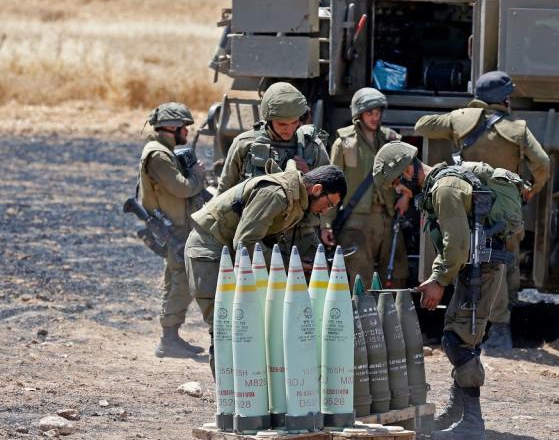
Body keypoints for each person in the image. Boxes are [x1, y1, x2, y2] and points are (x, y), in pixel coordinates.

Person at [372, 141, 524, 440]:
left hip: (484, 267)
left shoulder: (445, 189)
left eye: (395, 185)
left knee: (459, 340)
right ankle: (458, 412)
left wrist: (438, 280)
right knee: (463, 335)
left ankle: (472, 422)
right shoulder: (437, 190)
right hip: (476, 267)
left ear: (406, 172)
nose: (397, 192)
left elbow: (456, 244)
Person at [414, 71, 550, 349]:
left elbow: (421, 126)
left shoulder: (459, 120)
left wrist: (460, 118)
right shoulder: (517, 129)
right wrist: (530, 190)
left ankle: (474, 326)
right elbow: (542, 164)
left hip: (467, 204)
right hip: (505, 209)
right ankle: (501, 330)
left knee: (470, 260)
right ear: (503, 99)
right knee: (504, 264)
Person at [185, 165, 346, 368]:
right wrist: (288, 265)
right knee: (225, 327)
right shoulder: (276, 194)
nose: (326, 210)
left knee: (246, 325)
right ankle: (229, 395)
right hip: (210, 249)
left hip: (232, 253)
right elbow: (245, 243)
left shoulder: (297, 201)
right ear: (317, 189)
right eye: (329, 204)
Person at [139, 102, 208, 359]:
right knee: (182, 279)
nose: (187, 132)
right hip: (173, 227)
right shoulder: (158, 155)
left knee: (177, 277)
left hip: (179, 224)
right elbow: (181, 188)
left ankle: (171, 337)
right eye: (184, 127)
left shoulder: (163, 152)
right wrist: (197, 177)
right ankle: (169, 340)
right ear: (170, 127)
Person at [323, 88, 408, 286]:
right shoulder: (344, 144)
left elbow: (406, 173)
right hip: (356, 221)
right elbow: (332, 185)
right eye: (370, 112)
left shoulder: (391, 140)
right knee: (359, 278)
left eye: (378, 112)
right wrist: (327, 223)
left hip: (387, 217)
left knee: (396, 274)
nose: (375, 117)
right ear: (359, 114)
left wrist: (405, 195)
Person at [218, 82, 330, 191]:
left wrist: (307, 175)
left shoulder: (312, 146)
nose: (289, 129)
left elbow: (328, 193)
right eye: (282, 124)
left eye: (295, 122)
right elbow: (224, 192)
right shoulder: (244, 144)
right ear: (269, 120)